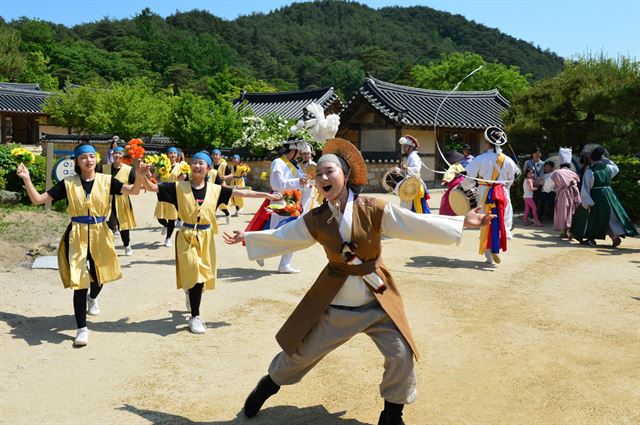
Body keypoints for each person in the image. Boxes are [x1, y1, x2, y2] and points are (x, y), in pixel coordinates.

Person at [223, 138, 494, 425]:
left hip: (378, 302)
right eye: (318, 174)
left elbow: (413, 222)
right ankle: (266, 386)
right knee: (298, 357)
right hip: (336, 306)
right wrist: (248, 238)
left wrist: (462, 223)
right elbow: (285, 236)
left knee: (401, 354)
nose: (323, 178)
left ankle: (392, 415)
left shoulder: (374, 208)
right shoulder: (315, 219)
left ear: (347, 175)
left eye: (330, 171)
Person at [138, 151, 281, 334]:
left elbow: (242, 191)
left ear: (208, 168)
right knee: (193, 272)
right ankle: (195, 316)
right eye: (194, 163)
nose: (197, 166)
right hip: (186, 236)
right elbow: (152, 188)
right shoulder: (178, 187)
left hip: (205, 237)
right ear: (190, 166)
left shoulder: (216, 190)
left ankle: (192, 299)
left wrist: (266, 196)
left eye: (201, 163)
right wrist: (142, 175)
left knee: (201, 276)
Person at [17, 142, 141, 346]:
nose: (88, 160)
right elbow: (38, 199)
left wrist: (140, 174)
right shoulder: (68, 183)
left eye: (92, 156)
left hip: (101, 231)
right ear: (77, 161)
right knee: (79, 280)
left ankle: (93, 298)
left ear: (97, 159)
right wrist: (27, 179)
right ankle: (82, 329)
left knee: (100, 276)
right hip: (77, 234)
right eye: (84, 157)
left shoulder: (107, 180)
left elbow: (134, 191)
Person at [461, 126, 519, 265]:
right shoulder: (509, 160)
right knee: (502, 221)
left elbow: (468, 178)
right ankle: (499, 242)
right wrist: (504, 190)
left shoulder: (480, 159)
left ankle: (489, 255)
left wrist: (468, 188)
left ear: (488, 142)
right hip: (502, 193)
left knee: (485, 222)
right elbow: (511, 179)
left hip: (484, 192)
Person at [571, 146, 637, 247]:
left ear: (591, 159)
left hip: (596, 196)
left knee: (593, 218)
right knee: (610, 217)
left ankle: (591, 238)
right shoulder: (608, 168)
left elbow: (585, 188)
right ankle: (614, 237)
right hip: (609, 195)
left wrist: (587, 203)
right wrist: (604, 159)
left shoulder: (590, 172)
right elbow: (616, 168)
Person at [268, 137, 308, 273]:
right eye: (298, 151)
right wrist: (298, 181)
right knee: (274, 232)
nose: (300, 154)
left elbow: (303, 181)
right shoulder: (277, 162)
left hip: (293, 201)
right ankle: (260, 251)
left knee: (293, 233)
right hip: (280, 200)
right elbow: (277, 185)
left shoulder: (295, 165)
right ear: (293, 150)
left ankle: (285, 264)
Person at [105, 146, 137, 255]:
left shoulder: (128, 169)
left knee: (123, 224)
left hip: (122, 199)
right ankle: (108, 246)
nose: (117, 155)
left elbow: (134, 184)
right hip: (107, 200)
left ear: (123, 155)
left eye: (119, 153)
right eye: (115, 153)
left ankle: (127, 244)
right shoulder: (105, 168)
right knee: (107, 223)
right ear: (112, 154)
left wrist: (127, 188)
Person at [155, 147, 187, 247]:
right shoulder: (162, 165)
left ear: (177, 155)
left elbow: (182, 179)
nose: (173, 155)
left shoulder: (180, 166)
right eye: (170, 153)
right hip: (162, 191)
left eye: (174, 153)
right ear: (167, 155)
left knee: (172, 218)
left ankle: (168, 238)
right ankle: (165, 225)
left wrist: (183, 175)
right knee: (160, 217)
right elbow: (153, 176)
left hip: (174, 192)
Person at [549, 147, 581, 238]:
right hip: (574, 194)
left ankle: (566, 231)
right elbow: (577, 182)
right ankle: (569, 231)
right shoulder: (573, 173)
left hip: (563, 194)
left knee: (563, 212)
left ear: (560, 164)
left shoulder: (556, 173)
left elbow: (548, 186)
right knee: (572, 212)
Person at [398, 135, 430, 213]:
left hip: (415, 185)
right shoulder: (410, 156)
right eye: (403, 146)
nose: (404, 147)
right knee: (408, 206)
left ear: (411, 146)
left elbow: (416, 170)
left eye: (406, 146)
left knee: (415, 208)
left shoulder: (413, 156)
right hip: (411, 184)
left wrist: (407, 168)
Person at [439, 150, 467, 216]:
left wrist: (445, 180)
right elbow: (464, 172)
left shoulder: (452, 166)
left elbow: (449, 174)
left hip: (455, 184)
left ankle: (450, 215)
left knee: (447, 200)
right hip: (461, 182)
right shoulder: (459, 165)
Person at [209, 149, 231, 224]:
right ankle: (210, 219)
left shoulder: (224, 165)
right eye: (213, 154)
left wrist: (225, 177)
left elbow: (231, 174)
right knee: (211, 202)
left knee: (221, 203)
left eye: (216, 154)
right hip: (211, 184)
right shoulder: (209, 164)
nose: (215, 156)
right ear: (211, 156)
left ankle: (227, 213)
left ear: (220, 156)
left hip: (221, 184)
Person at [523, 146, 545, 218]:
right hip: (529, 184)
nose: (537, 155)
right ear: (532, 154)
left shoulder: (542, 163)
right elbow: (525, 173)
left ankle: (536, 216)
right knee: (529, 200)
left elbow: (542, 174)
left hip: (538, 184)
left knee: (537, 200)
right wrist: (532, 181)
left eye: (539, 153)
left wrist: (538, 182)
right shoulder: (527, 162)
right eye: (536, 153)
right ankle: (529, 216)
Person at [298, 141, 319, 213]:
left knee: (306, 210)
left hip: (309, 191)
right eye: (304, 154)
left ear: (311, 154)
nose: (306, 155)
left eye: (308, 153)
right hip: (299, 190)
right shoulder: (297, 166)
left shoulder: (315, 165)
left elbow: (316, 180)